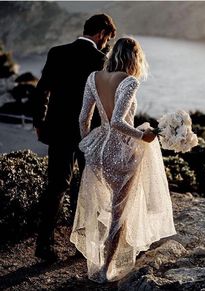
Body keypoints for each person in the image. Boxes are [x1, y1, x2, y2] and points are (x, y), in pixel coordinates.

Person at [70, 37, 176, 283]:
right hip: (121, 153)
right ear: (134, 58)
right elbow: (119, 121)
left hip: (97, 152)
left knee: (103, 205)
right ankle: (107, 266)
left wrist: (88, 143)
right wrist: (144, 136)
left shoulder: (93, 77)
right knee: (119, 211)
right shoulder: (129, 81)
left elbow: (82, 118)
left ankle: (100, 258)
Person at [33, 14, 116, 262]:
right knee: (86, 187)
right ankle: (81, 245)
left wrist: (40, 122)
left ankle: (44, 245)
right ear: (102, 33)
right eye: (107, 38)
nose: (106, 43)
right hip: (88, 133)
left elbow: (42, 90)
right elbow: (104, 103)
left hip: (58, 130)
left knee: (56, 186)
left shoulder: (56, 52)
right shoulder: (101, 60)